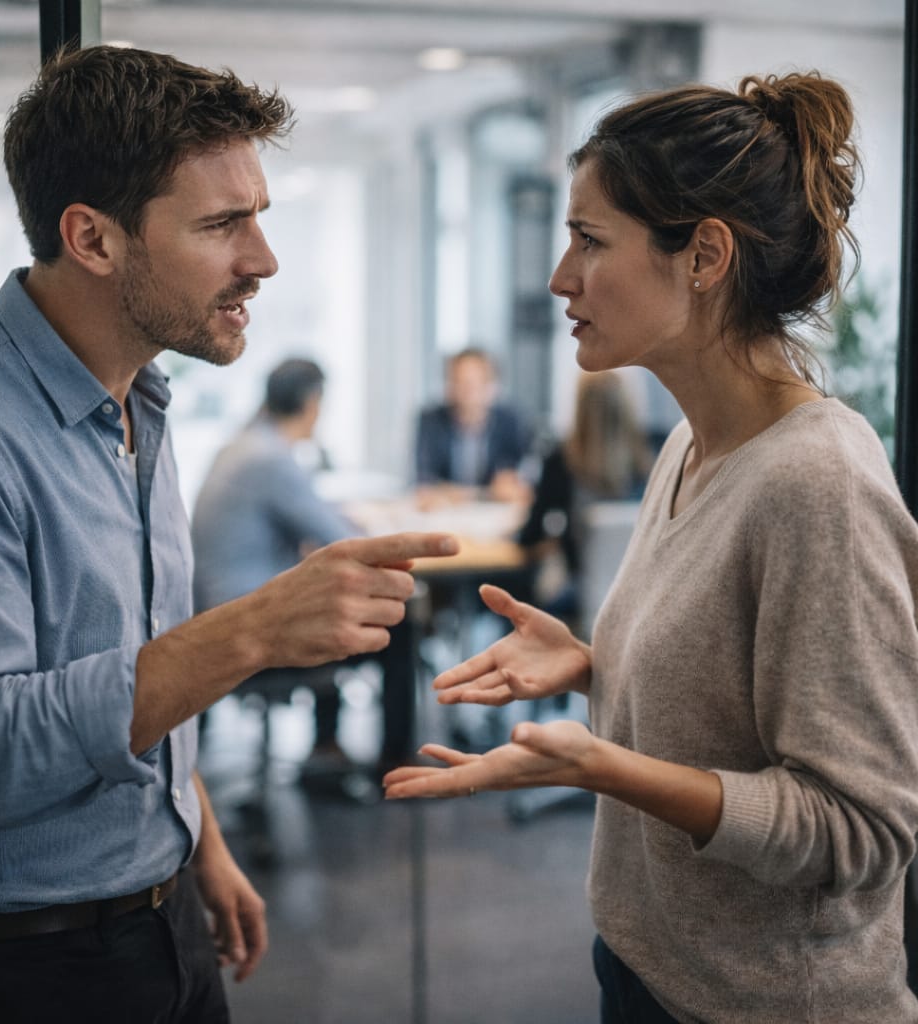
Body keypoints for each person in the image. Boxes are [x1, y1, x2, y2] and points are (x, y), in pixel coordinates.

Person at [0, 44, 457, 1024]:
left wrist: (197, 843)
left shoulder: (141, 397)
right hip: (22, 968)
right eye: (221, 224)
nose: (263, 259)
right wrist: (250, 630)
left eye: (260, 217)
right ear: (94, 238)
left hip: (166, 916)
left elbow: (123, 665)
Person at [385, 71, 918, 1023]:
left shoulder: (818, 481)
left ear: (704, 254)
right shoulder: (687, 442)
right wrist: (596, 667)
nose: (561, 277)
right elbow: (734, 710)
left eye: (590, 240)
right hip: (643, 965)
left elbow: (859, 831)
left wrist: (601, 764)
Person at [192, 357, 362, 785]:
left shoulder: (243, 444)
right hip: (246, 621)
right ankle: (365, 762)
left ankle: (327, 746)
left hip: (212, 610)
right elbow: (338, 538)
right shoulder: (271, 458)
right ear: (312, 404)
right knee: (390, 629)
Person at [518, 369, 652, 623]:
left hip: (579, 599)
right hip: (641, 600)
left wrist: (557, 540)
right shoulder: (650, 460)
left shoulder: (560, 462)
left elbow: (529, 537)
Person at [414, 346, 534, 506]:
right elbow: (426, 482)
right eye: (458, 382)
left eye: (474, 384)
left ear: (491, 386)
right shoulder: (431, 421)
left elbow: (518, 482)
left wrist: (511, 486)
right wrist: (486, 493)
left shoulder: (510, 421)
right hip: (446, 516)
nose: (466, 392)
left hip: (494, 517)